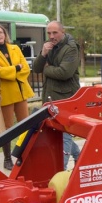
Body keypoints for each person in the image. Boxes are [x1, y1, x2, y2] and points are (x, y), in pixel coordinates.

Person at [33, 21, 81, 169]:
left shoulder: (71, 48)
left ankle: (61, 169)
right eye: (49, 33)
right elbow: (36, 68)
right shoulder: (49, 46)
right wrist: (43, 54)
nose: (51, 36)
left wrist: (47, 70)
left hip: (66, 98)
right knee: (58, 133)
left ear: (63, 31)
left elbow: (64, 73)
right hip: (51, 97)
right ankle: (79, 156)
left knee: (64, 132)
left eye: (55, 33)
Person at [0, 24, 34, 170]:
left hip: (20, 92)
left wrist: (13, 72)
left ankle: (25, 154)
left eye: (1, 32)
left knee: (26, 124)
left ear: (5, 34)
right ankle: (7, 158)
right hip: (6, 94)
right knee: (6, 127)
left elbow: (25, 68)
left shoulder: (15, 48)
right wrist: (16, 69)